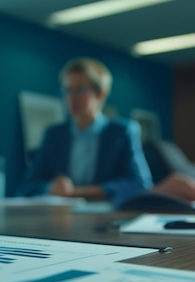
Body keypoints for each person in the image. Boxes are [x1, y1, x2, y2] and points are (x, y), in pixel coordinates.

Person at [18, 57, 153, 204]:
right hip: (61, 218)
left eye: (80, 90)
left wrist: (78, 193)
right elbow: (26, 188)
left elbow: (140, 184)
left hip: (105, 217)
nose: (71, 98)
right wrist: (50, 188)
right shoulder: (53, 135)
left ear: (100, 93)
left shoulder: (122, 132)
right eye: (67, 90)